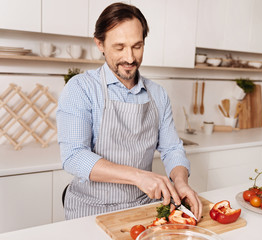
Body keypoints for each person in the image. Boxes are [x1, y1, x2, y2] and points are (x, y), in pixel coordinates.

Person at [57, 2, 202, 220]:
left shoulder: (158, 94)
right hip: (91, 209)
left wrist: (180, 183)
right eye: (119, 47)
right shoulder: (80, 88)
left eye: (137, 46)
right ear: (100, 44)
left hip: (144, 207)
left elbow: (172, 148)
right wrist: (138, 177)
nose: (130, 58)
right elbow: (74, 156)